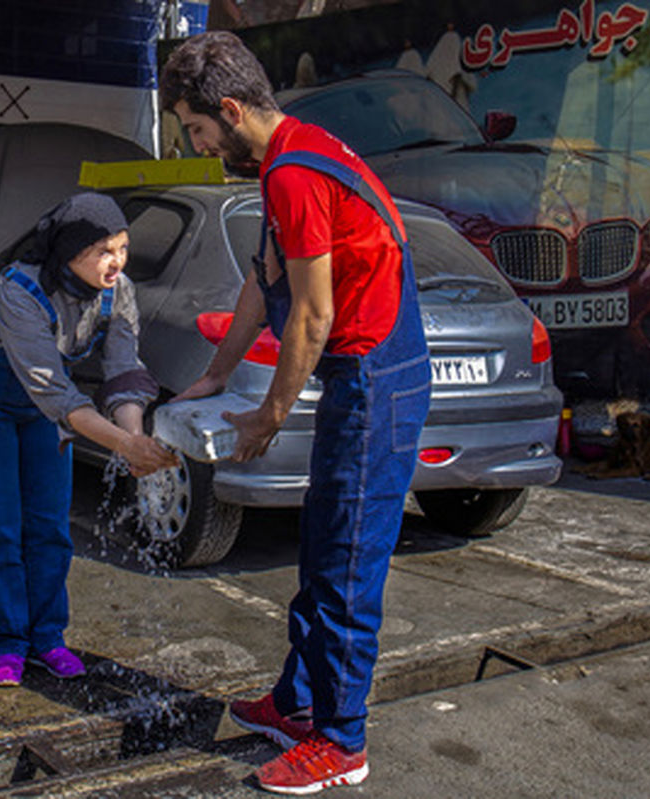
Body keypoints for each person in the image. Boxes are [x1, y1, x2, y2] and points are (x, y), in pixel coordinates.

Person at [160, 32, 431, 793]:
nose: (200, 145)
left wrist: (267, 418)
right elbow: (264, 278)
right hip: (364, 375)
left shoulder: (294, 176)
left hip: (377, 378)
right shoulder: (294, 154)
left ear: (233, 110)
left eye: (197, 129)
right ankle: (298, 701)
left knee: (346, 562)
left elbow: (311, 316)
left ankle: (342, 743)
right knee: (322, 545)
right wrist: (214, 375)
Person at [0, 192, 178, 688]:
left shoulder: (119, 291)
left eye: (122, 247)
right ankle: (7, 641)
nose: (116, 262)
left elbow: (122, 370)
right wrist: (121, 445)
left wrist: (134, 438)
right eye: (102, 251)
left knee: (49, 522)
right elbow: (59, 398)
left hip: (48, 401)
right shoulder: (17, 293)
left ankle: (48, 637)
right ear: (67, 253)